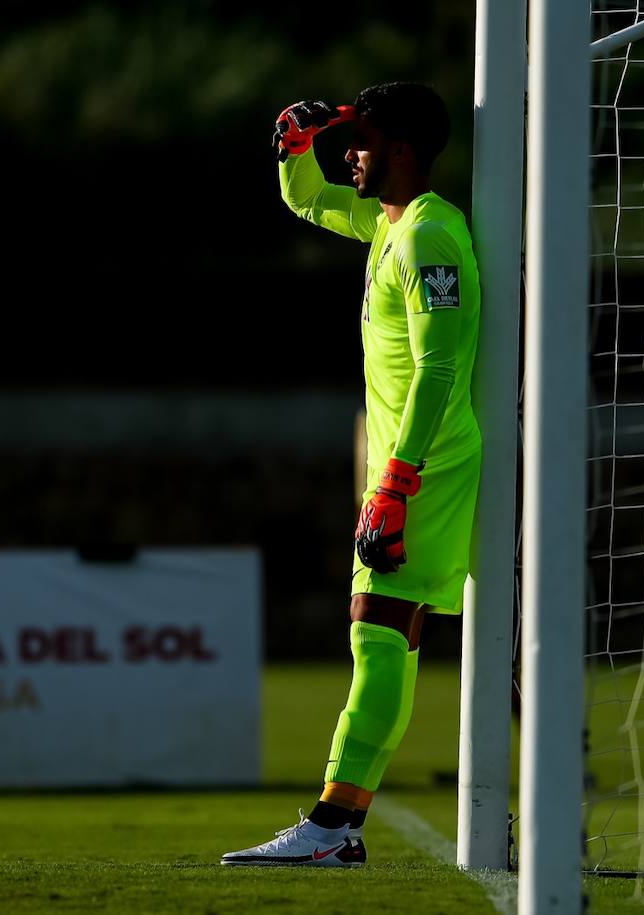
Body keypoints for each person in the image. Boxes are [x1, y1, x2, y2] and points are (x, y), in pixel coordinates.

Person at [221, 83, 481, 867]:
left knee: (378, 634)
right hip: (406, 467)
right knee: (384, 637)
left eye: (362, 140)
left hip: (424, 467)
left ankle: (333, 826)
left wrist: (398, 481)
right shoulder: (387, 225)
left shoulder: (431, 237)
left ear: (403, 149)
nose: (351, 153)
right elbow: (308, 202)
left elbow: (442, 368)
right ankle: (340, 826)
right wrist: (295, 146)